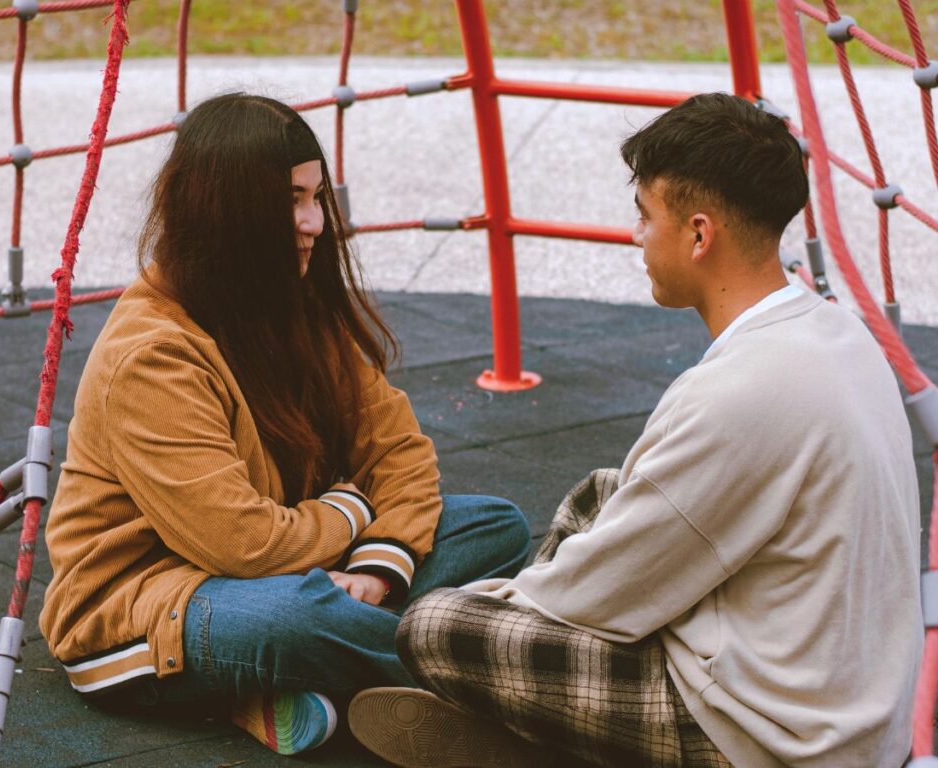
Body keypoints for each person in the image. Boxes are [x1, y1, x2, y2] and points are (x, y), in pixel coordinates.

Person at [348, 93, 923, 768]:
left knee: (436, 627)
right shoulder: (834, 330)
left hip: (771, 739)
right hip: (842, 701)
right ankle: (530, 718)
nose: (636, 237)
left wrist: (491, 606)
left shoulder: (738, 393)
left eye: (645, 217)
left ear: (699, 235)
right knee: (603, 494)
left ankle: (534, 737)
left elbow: (588, 599)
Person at [38, 93, 530, 757]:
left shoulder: (288, 303)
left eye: (317, 197)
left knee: (494, 525)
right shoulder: (150, 353)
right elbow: (240, 543)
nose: (314, 222)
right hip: (154, 607)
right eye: (292, 200)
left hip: (294, 562)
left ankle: (300, 690)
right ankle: (500, 689)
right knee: (296, 620)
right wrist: (356, 514)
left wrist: (379, 570)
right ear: (227, 211)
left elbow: (400, 451)